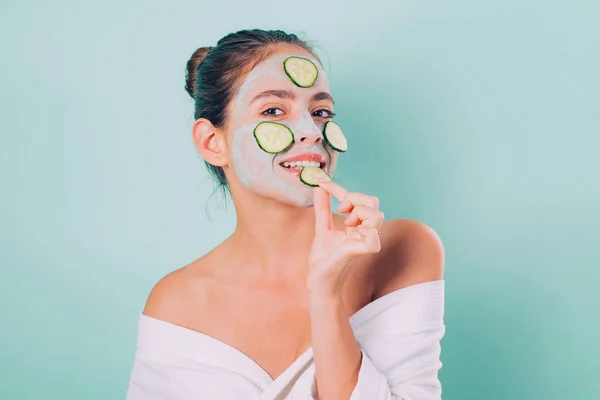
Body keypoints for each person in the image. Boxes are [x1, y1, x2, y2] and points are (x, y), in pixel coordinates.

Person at [126, 29, 446, 400]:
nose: (312, 132)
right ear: (212, 143)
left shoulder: (402, 249)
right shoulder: (175, 302)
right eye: (274, 110)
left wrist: (325, 294)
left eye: (321, 112)